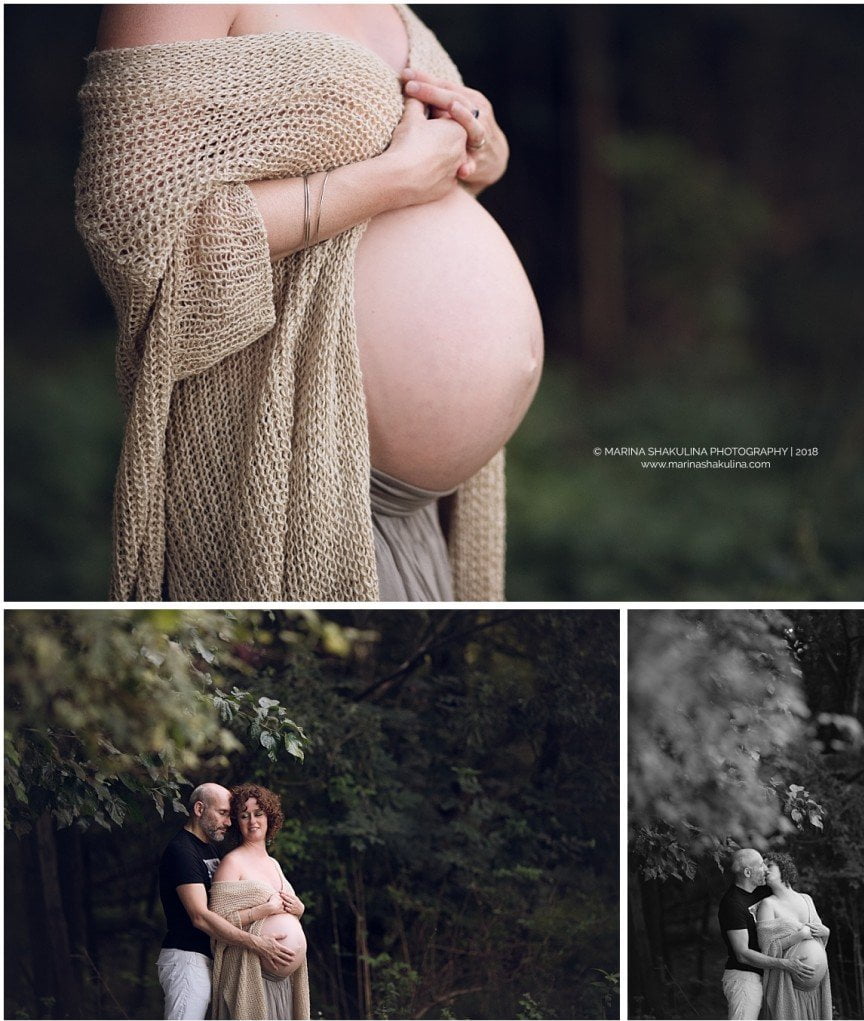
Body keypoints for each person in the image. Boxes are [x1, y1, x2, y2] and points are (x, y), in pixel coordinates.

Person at [75, 4, 543, 603]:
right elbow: (135, 231)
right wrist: (390, 181)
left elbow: (435, 173)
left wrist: (483, 145)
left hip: (423, 516)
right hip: (297, 478)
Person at [157, 782, 295, 1019]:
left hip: (211, 960)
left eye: (230, 816)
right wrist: (257, 943)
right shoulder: (182, 851)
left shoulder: (209, 851)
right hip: (187, 959)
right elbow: (200, 917)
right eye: (222, 813)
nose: (229, 822)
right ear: (199, 809)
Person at [209, 784, 310, 1019]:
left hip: (284, 984)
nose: (252, 821)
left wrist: (299, 909)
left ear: (270, 817)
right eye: (244, 816)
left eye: (258, 813)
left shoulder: (274, 864)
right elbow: (215, 923)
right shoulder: (232, 863)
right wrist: (263, 910)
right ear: (237, 822)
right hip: (252, 978)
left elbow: (286, 911)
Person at [717, 848, 816, 1019]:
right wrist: (785, 964)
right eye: (761, 865)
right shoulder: (732, 904)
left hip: (771, 977)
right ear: (748, 872)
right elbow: (742, 954)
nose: (766, 869)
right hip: (744, 979)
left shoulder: (762, 892)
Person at [756, 852, 832, 1019]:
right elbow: (766, 949)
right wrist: (797, 937)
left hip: (816, 990)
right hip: (786, 986)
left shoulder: (806, 899)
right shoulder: (768, 904)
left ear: (784, 868)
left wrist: (826, 932)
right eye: (762, 867)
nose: (764, 870)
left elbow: (818, 939)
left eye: (769, 866)